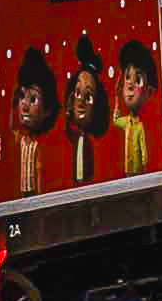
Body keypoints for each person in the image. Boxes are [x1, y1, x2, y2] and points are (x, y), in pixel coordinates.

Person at [64, 34, 110, 185]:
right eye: (78, 94)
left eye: (89, 97)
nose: (82, 102)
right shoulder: (73, 135)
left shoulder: (90, 143)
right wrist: (69, 109)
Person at [13, 48, 60, 194]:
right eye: (22, 97)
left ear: (47, 110)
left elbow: (39, 172)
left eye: (33, 99)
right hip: (23, 191)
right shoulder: (20, 140)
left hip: (33, 194)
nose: (25, 106)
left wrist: (39, 198)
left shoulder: (37, 145)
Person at [113, 42, 158, 174]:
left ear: (149, 92)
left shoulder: (140, 126)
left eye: (137, 80)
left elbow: (143, 148)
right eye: (127, 78)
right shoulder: (126, 122)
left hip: (137, 171)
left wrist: (144, 163)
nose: (130, 85)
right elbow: (115, 120)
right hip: (128, 169)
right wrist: (116, 97)